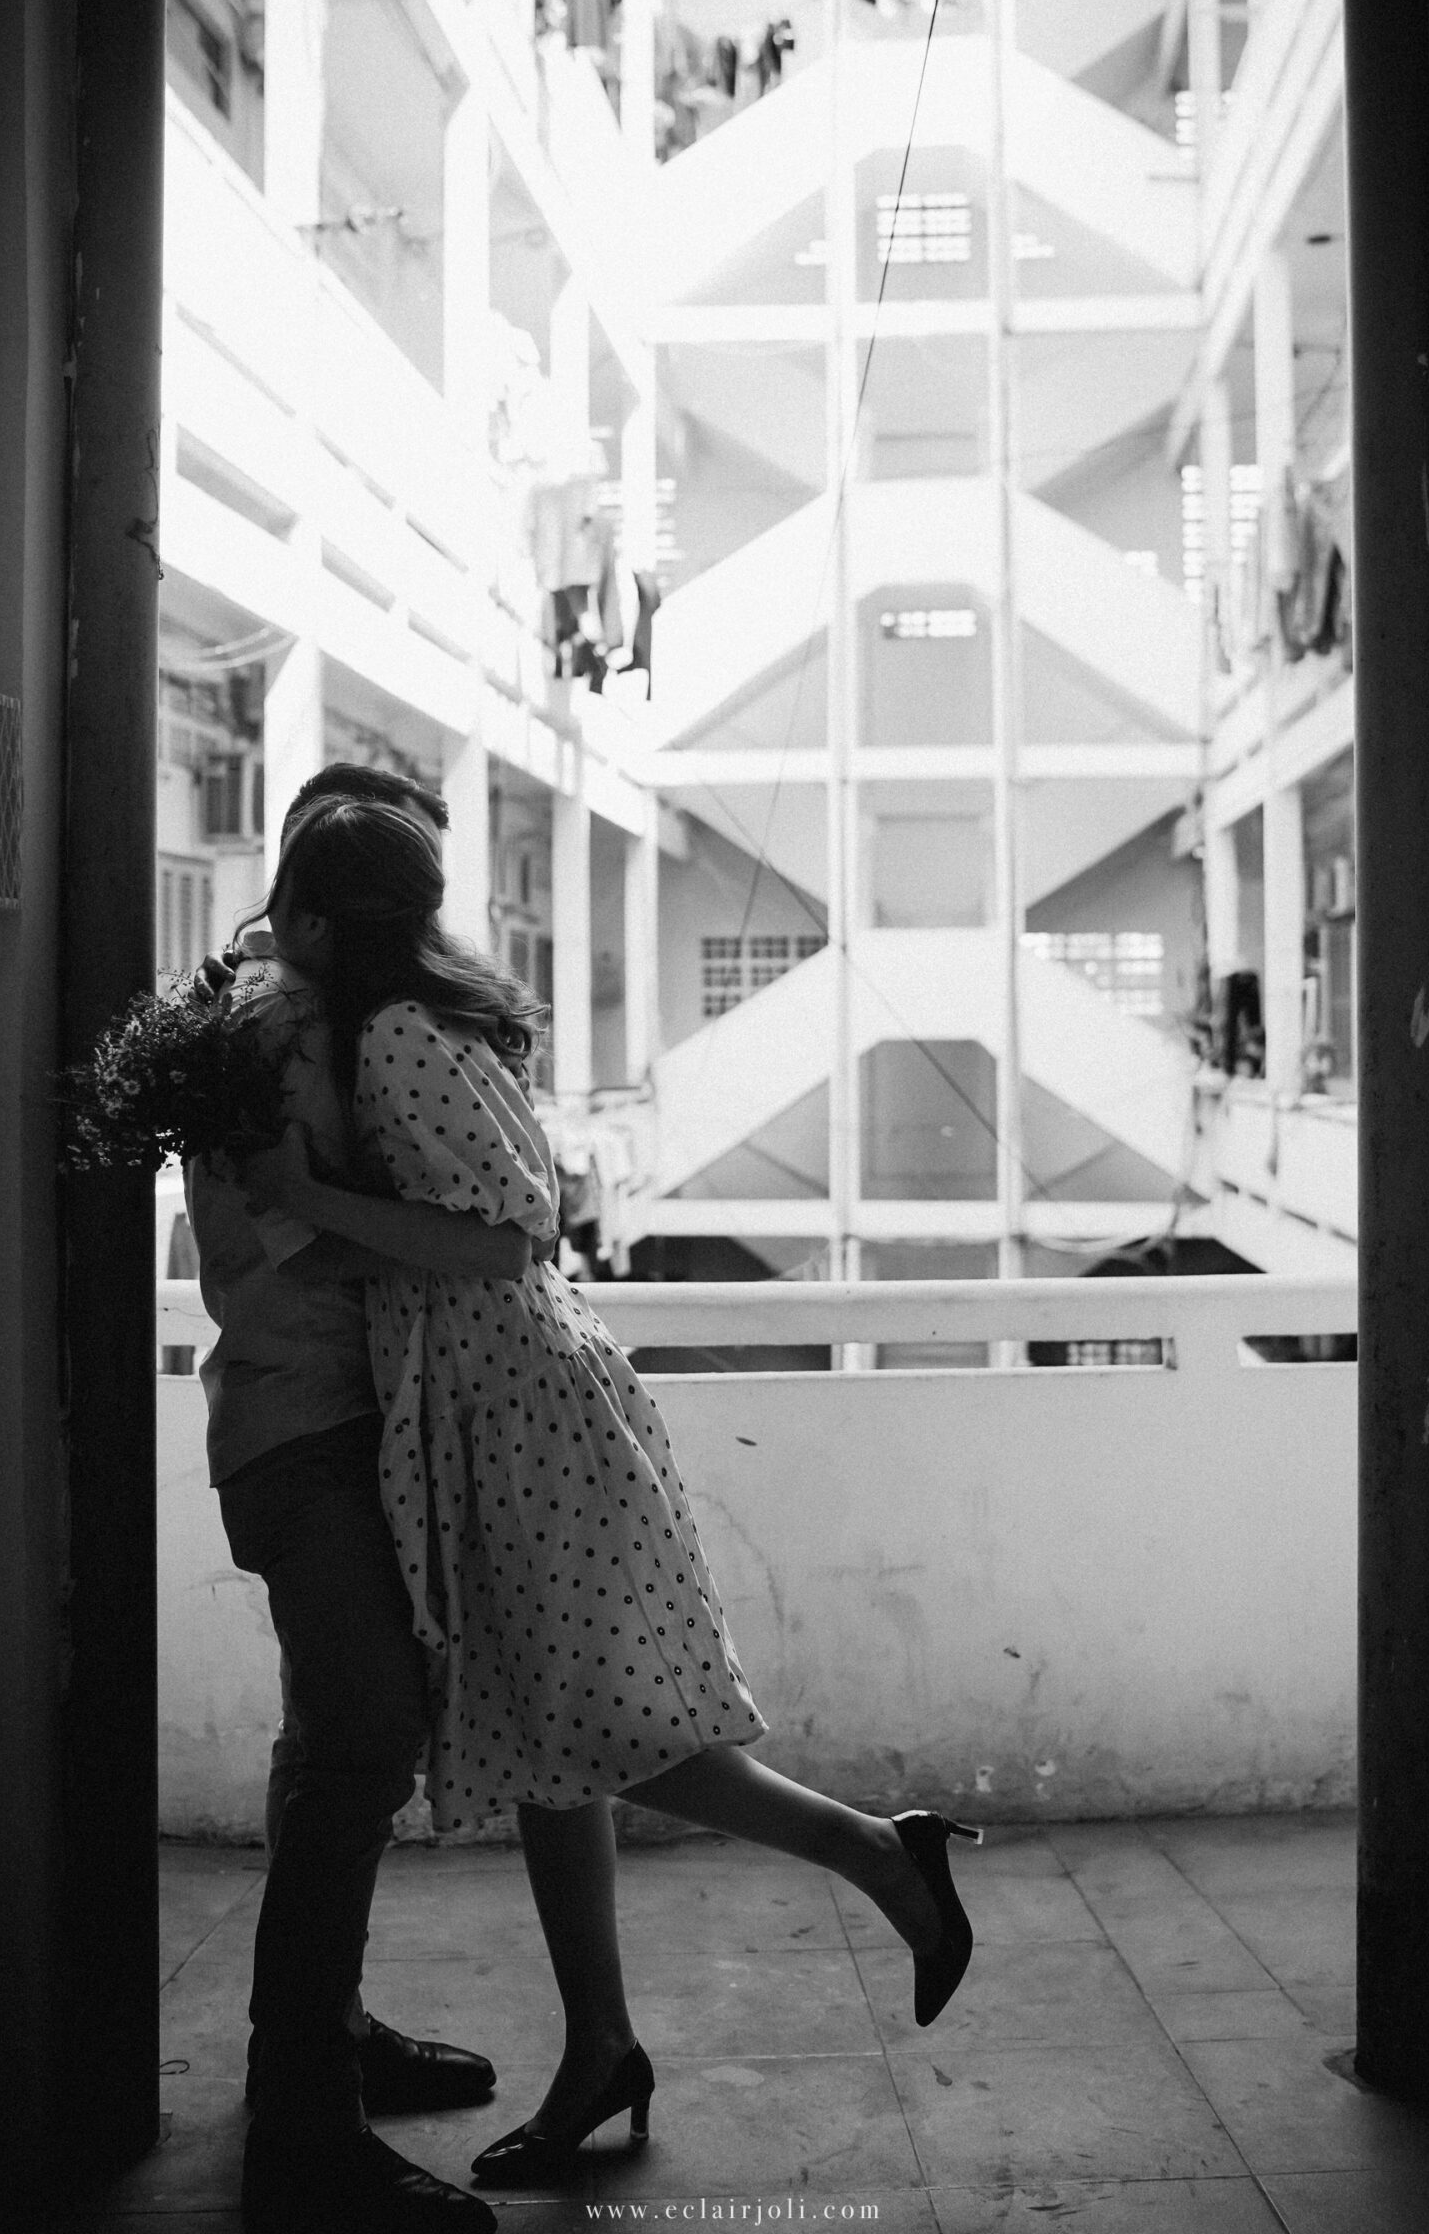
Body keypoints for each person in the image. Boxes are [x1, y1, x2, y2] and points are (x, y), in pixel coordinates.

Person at [241, 798, 978, 2191]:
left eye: (287, 902)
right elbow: (461, 1228)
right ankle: (604, 2046)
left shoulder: (394, 1034)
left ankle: (880, 1856)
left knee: (589, 1726)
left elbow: (499, 1235)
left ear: (322, 917)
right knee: (548, 1731)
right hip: (506, 1398)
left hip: (515, 1409)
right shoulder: (423, 1020)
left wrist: (303, 1198)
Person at [187, 763, 524, 2234]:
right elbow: (308, 1234)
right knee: (366, 1741)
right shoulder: (275, 1029)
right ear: (316, 909)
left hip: (325, 1420)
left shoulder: (294, 1006)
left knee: (329, 1738)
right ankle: (303, 2130)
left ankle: (324, 2044)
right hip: (302, 1426)